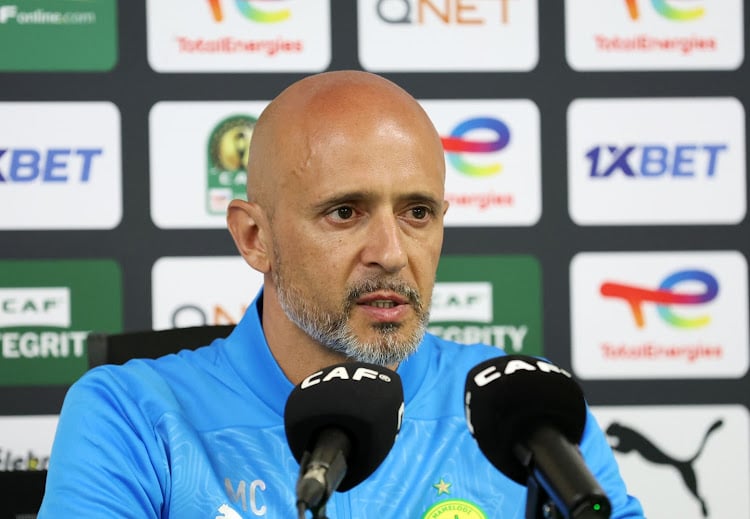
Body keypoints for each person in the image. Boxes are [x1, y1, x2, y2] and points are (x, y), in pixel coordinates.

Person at [39, 70, 644, 518]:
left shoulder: (525, 409)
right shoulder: (130, 414)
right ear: (255, 238)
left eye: (417, 212)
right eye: (345, 212)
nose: (391, 251)